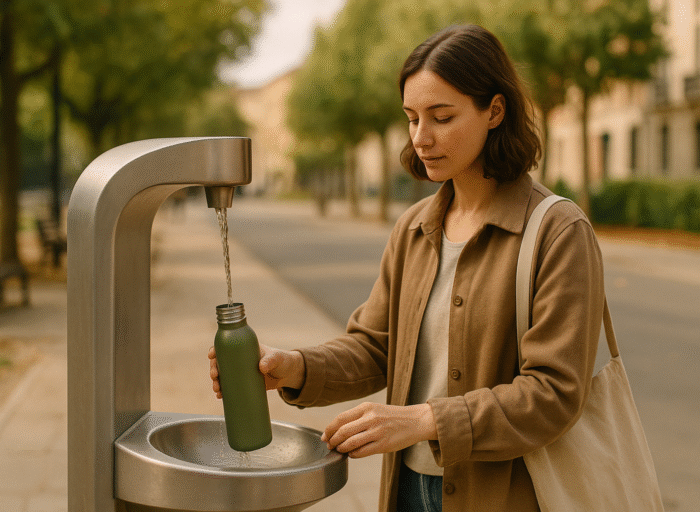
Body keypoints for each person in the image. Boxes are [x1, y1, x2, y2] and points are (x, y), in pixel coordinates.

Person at [209, 24, 604, 512]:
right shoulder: (415, 228)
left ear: (494, 112)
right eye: (412, 118)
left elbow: (553, 393)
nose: (421, 137)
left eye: (441, 117)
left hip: (505, 496)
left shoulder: (558, 231)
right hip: (408, 490)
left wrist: (423, 421)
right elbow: (377, 348)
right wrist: (292, 366)